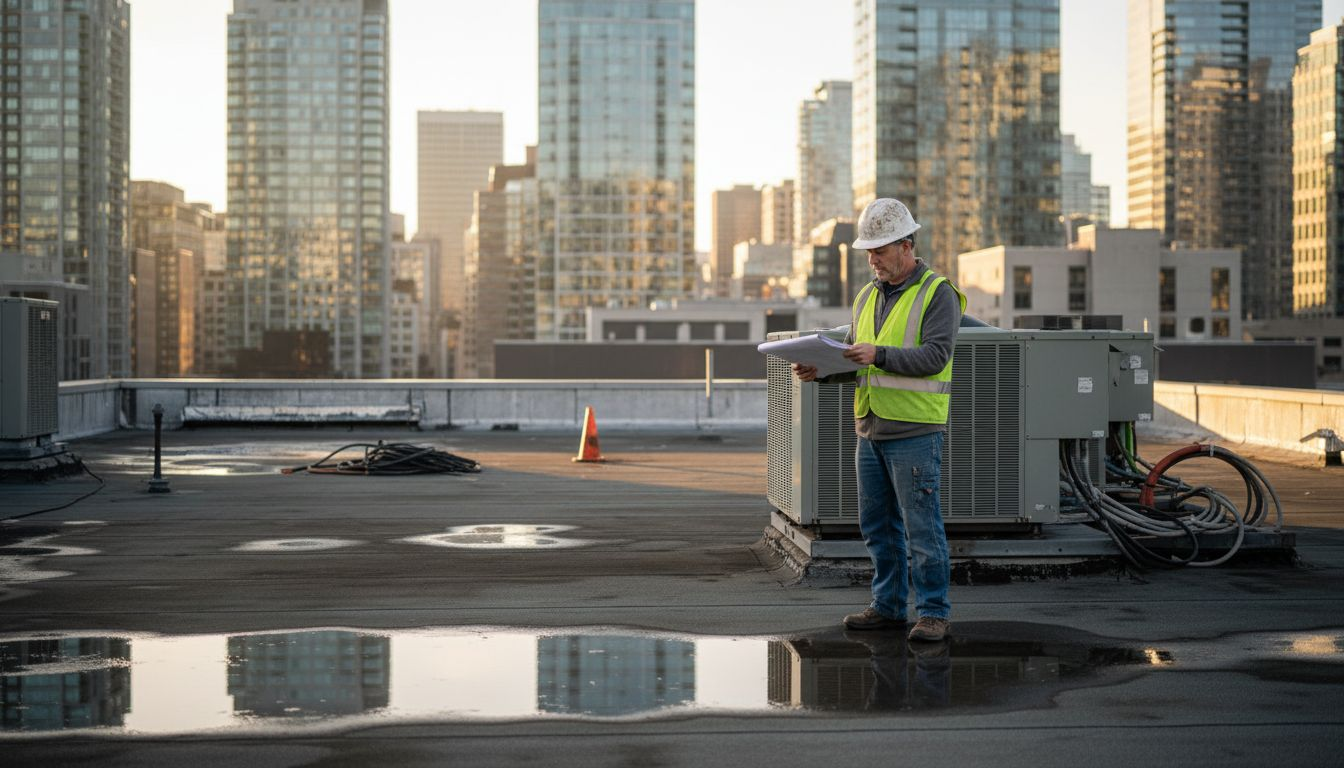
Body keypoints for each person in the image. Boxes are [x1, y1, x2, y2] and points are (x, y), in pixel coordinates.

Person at [792, 198, 965, 642]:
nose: (872, 260)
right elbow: (856, 360)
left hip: (914, 432)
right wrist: (822, 372)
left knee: (923, 528)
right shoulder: (867, 296)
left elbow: (935, 357)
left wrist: (879, 355)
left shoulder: (937, 292)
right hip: (870, 430)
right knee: (878, 529)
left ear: (906, 246)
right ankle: (888, 607)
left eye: (880, 251)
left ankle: (933, 613)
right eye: (868, 252)